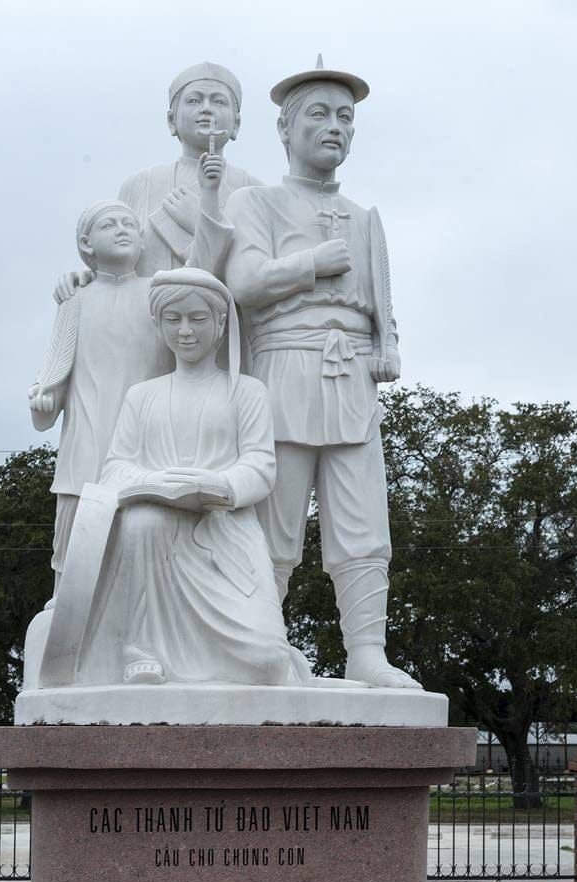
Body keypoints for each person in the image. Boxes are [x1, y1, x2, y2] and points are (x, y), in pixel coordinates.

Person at [196, 59, 421, 689]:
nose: (335, 127)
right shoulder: (257, 202)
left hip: (351, 377)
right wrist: (311, 263)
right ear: (285, 128)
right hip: (284, 370)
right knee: (273, 524)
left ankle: (367, 652)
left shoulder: (364, 216)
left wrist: (388, 345)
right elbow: (240, 284)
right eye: (319, 114)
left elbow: (382, 302)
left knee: (363, 524)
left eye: (345, 117)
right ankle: (259, 645)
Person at [64, 268, 309, 687]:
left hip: (225, 534)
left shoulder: (246, 391)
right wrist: (159, 484)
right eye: (173, 319)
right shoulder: (143, 396)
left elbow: (260, 465)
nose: (186, 331)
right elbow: (117, 465)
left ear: (219, 325)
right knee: (144, 522)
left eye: (197, 319)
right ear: (158, 325)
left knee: (268, 664)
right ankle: (142, 647)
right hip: (156, 535)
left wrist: (219, 487)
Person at [29, 199, 172, 597]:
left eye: (129, 223)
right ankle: (66, 613)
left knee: (144, 539)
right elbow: (53, 376)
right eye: (110, 225)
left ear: (143, 241)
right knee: (75, 545)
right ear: (86, 244)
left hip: (147, 443)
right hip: (86, 442)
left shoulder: (160, 297)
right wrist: (44, 400)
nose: (123, 229)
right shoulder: (75, 301)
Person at [53, 62, 261, 301]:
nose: (206, 109)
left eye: (218, 101)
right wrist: (93, 277)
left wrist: (200, 221)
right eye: (194, 100)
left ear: (236, 123)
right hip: (149, 318)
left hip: (229, 323)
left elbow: (256, 269)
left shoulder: (254, 189)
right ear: (172, 121)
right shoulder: (142, 183)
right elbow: (120, 260)